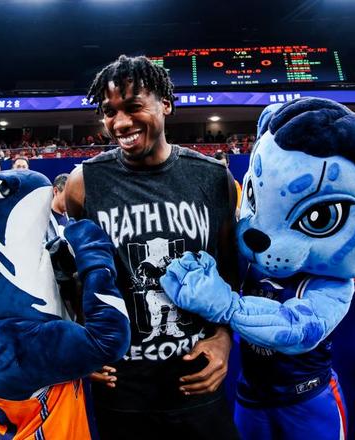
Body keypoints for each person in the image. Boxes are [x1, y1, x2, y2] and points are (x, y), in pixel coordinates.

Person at [66, 55, 239, 439]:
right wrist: (79, 342)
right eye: (109, 112)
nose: (120, 123)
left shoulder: (214, 178)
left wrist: (224, 338)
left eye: (133, 107)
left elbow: (230, 273)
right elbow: (74, 276)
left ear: (166, 104)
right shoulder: (84, 182)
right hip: (121, 388)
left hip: (195, 381)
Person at [46, 173, 69, 243]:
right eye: (67, 195)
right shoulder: (42, 219)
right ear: (55, 191)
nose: (71, 200)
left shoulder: (73, 218)